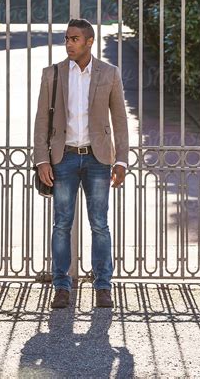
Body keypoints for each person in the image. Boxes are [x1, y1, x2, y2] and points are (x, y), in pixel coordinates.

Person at [34, 18, 129, 309]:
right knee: (61, 224)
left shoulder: (109, 74)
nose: (69, 44)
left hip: (98, 159)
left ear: (89, 41)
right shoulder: (53, 74)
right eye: (66, 39)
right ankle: (62, 286)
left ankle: (103, 286)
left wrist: (121, 160)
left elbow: (120, 120)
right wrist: (41, 160)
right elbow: (41, 121)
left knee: (100, 224)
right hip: (63, 158)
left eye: (74, 39)